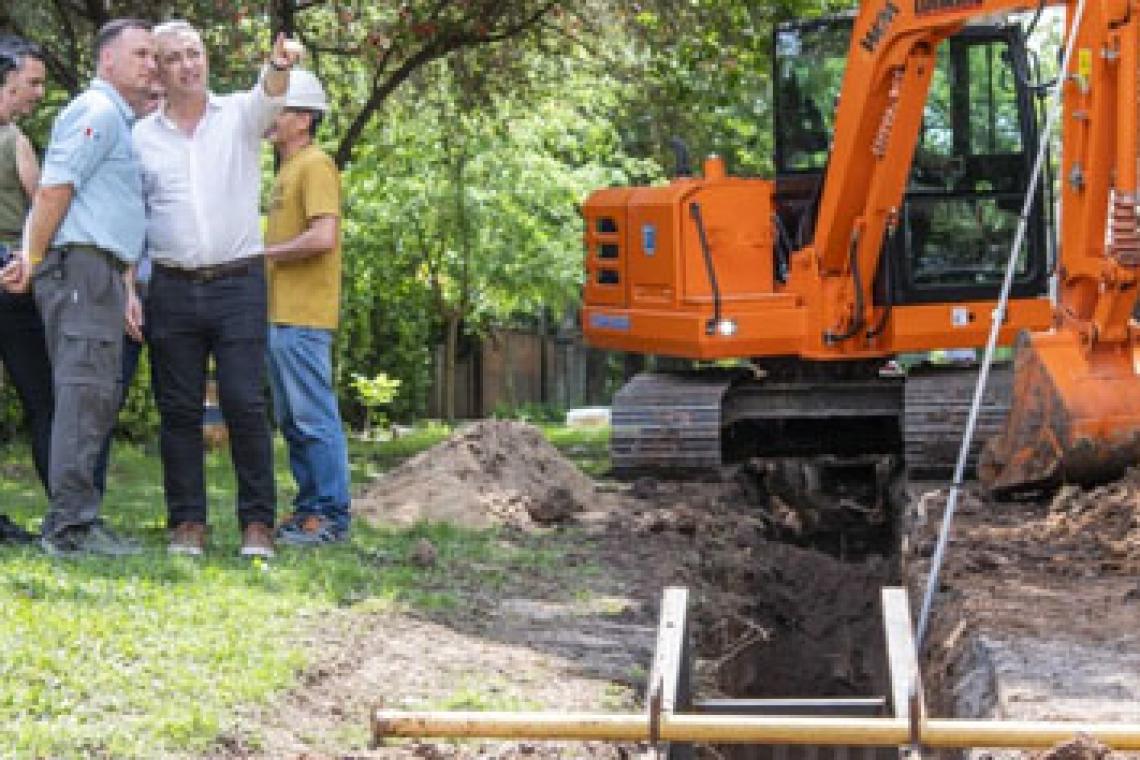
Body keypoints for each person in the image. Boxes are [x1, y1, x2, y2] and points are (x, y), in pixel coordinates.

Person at [133, 21, 300, 558]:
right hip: (171, 286)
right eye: (175, 57)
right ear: (158, 68)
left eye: (195, 53)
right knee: (178, 409)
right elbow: (131, 218)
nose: (189, 64)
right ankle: (188, 523)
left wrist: (278, 65)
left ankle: (257, 525)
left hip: (238, 282)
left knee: (244, 403)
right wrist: (127, 287)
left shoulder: (238, 117)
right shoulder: (141, 138)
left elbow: (269, 96)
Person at [1, 19, 155, 556]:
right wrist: (32, 257)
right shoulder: (95, 112)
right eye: (140, 54)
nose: (151, 65)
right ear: (107, 60)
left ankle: (79, 518)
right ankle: (69, 528)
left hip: (100, 271)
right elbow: (53, 190)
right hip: (80, 269)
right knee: (81, 391)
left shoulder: (117, 119)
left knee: (92, 393)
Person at [263, 70, 351, 545]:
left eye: (278, 109)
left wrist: (261, 254)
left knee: (313, 417)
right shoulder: (286, 169)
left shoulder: (315, 164)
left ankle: (331, 516)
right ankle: (308, 510)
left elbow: (323, 236)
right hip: (280, 314)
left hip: (303, 315)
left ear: (303, 119)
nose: (269, 118)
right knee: (294, 420)